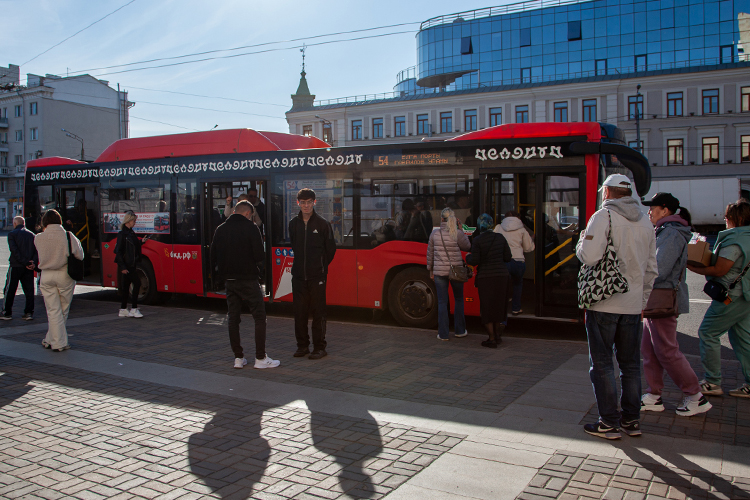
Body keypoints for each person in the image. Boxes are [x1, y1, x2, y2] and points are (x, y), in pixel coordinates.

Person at [575, 174, 657, 440]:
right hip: (632, 306)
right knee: (631, 365)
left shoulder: (603, 216)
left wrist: (580, 242)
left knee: (602, 364)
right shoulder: (646, 221)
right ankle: (631, 421)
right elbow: (652, 270)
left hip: (604, 303)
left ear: (607, 193)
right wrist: (641, 302)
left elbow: (589, 256)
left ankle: (609, 422)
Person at [640, 193, 711, 416]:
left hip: (663, 298)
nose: (649, 212)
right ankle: (654, 395)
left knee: (667, 351)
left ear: (665, 209)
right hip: (655, 299)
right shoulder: (664, 230)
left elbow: (660, 268)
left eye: (652, 208)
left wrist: (636, 275)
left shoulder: (671, 232)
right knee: (649, 348)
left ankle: (695, 396)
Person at [688, 199, 750, 399]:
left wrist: (691, 267)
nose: (725, 220)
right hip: (746, 294)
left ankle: (712, 381)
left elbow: (720, 269)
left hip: (731, 295)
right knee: (742, 339)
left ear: (735, 218)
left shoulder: (735, 239)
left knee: (708, 332)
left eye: (727, 217)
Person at [211, 200, 280, 370]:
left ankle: (238, 358)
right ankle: (260, 358)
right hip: (248, 279)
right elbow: (259, 255)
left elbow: (213, 255)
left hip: (230, 281)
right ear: (248, 213)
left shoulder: (220, 229)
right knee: (259, 317)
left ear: (235, 211)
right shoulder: (251, 228)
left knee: (233, 318)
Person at [289, 188, 337, 359]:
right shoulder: (293, 224)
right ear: (298, 204)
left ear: (314, 203)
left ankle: (319, 347)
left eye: (309, 202)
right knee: (299, 313)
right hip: (299, 277)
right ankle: (302, 346)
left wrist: (320, 267)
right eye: (303, 202)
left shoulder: (323, 224)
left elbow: (330, 250)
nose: (306, 205)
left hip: (317, 277)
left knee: (318, 312)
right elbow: (295, 246)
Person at [34, 209, 84, 352]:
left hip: (46, 275)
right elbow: (80, 255)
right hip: (64, 274)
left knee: (53, 311)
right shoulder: (68, 236)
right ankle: (59, 343)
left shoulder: (38, 237)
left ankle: (50, 339)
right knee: (62, 310)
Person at [466, 214, 512, 348]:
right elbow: (508, 257)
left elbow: (475, 260)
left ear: (480, 225)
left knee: (487, 307)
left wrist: (468, 257)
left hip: (486, 277)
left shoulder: (478, 240)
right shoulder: (500, 237)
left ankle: (491, 338)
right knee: (499, 307)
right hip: (502, 276)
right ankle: (497, 336)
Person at [427, 207, 472, 341]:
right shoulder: (457, 233)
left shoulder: (435, 234)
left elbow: (429, 254)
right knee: (458, 299)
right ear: (454, 219)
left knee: (442, 302)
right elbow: (467, 247)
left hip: (440, 272)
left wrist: (431, 271)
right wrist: (461, 228)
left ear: (441, 219)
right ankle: (459, 330)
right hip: (456, 271)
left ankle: (443, 334)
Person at [495, 210, 535, 315]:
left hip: (503, 261)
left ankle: (500, 309)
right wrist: (532, 239)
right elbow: (528, 248)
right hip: (518, 261)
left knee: (502, 286)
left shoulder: (498, 227)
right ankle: (516, 308)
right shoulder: (522, 229)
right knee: (517, 284)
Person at [1, 216, 38, 321]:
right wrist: (32, 263)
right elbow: (36, 252)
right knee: (29, 291)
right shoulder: (32, 235)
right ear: (24, 223)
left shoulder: (12, 234)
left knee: (9, 290)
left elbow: (14, 251)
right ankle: (28, 313)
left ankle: (6, 313)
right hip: (28, 267)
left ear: (15, 223)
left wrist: (24, 261)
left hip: (16, 266)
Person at [114, 212, 144, 318]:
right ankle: (134, 308)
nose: (135, 223)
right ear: (128, 221)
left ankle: (123, 309)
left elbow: (134, 246)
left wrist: (142, 241)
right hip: (127, 265)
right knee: (137, 283)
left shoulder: (131, 233)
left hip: (131, 263)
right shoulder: (122, 234)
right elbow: (119, 252)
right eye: (134, 221)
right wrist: (122, 267)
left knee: (126, 286)